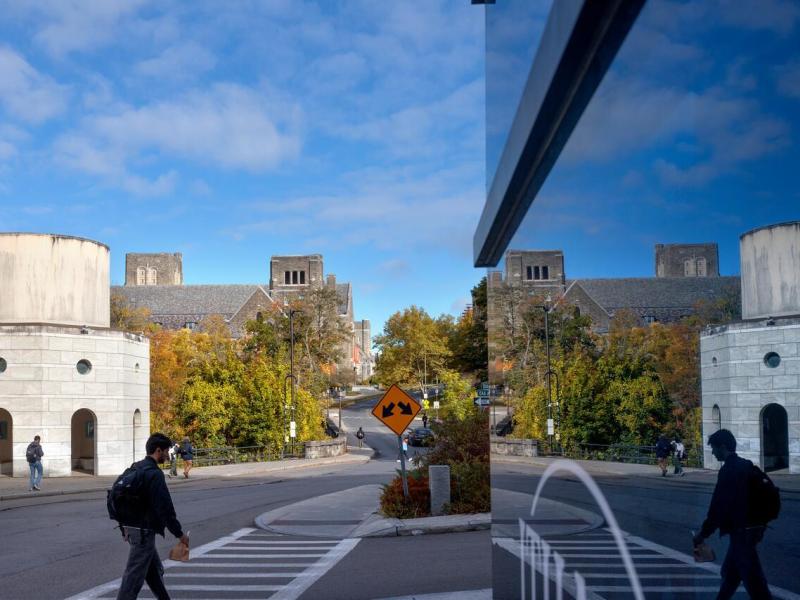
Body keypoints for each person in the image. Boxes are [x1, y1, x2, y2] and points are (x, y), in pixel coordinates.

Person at [692, 429, 771, 599]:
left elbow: (719, 506)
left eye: (713, 448)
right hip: (755, 528)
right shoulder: (746, 465)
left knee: (754, 582)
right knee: (730, 573)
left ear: (723, 446)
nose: (712, 452)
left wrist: (703, 534)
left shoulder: (729, 470)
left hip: (742, 531)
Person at [117, 433, 189, 600]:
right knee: (133, 578)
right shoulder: (154, 474)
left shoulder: (136, 467)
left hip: (133, 529)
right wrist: (179, 534)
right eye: (166, 451)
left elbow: (121, 499)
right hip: (143, 532)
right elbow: (165, 508)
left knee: (153, 571)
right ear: (158, 450)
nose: (168, 455)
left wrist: (124, 528)